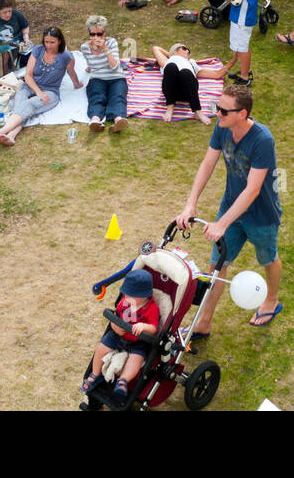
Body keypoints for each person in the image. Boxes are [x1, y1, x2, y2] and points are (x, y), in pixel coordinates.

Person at [175, 84, 283, 336]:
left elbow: (253, 190)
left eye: (223, 110)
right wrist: (190, 203)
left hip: (261, 215)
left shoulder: (262, 140)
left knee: (268, 258)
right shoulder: (222, 128)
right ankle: (204, 322)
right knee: (216, 265)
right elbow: (207, 164)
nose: (217, 114)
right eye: (217, 107)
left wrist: (222, 223)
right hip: (231, 207)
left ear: (242, 114)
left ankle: (272, 300)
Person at [0, 27, 83, 145]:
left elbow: (71, 72)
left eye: (52, 42)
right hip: (30, 85)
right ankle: (11, 136)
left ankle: (1, 132)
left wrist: (77, 84)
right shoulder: (38, 50)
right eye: (46, 41)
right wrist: (39, 92)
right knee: (20, 104)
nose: (48, 45)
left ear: (59, 41)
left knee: (28, 104)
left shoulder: (66, 56)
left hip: (51, 92)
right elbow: (28, 75)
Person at [80, 267, 160, 402]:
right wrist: (114, 325)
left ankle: (123, 380)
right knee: (102, 347)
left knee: (137, 358)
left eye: (131, 295)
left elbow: (153, 328)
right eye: (125, 294)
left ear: (145, 295)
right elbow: (117, 315)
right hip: (119, 335)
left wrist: (143, 326)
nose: (126, 297)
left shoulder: (152, 308)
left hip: (138, 341)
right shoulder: (124, 302)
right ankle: (95, 373)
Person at [153, 43, 227, 124]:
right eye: (184, 48)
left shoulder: (191, 62)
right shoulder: (167, 61)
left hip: (187, 93)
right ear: (175, 50)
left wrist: (233, 61)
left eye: (188, 50)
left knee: (186, 72)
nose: (188, 51)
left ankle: (198, 111)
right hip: (171, 91)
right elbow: (156, 48)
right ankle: (170, 107)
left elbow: (217, 74)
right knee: (171, 66)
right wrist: (172, 55)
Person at [81, 14, 128, 132]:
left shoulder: (112, 42)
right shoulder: (85, 47)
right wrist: (89, 68)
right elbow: (90, 63)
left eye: (99, 34)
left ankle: (118, 120)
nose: (96, 37)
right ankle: (95, 120)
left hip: (116, 76)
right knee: (96, 96)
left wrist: (105, 49)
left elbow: (114, 66)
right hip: (97, 78)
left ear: (104, 33)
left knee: (117, 96)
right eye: (92, 34)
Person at [222, 0, 259, 85]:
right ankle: (244, 70)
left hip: (242, 19)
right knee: (241, 45)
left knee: (243, 48)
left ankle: (245, 78)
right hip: (240, 17)